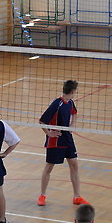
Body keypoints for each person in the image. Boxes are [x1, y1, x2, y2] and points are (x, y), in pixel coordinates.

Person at [38, 79, 87, 207]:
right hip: (56, 140)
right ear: (73, 91)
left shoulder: (70, 102)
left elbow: (74, 114)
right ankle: (42, 195)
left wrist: (72, 125)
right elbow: (42, 121)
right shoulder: (57, 103)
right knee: (49, 167)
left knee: (74, 165)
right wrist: (49, 133)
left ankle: (77, 197)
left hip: (67, 138)